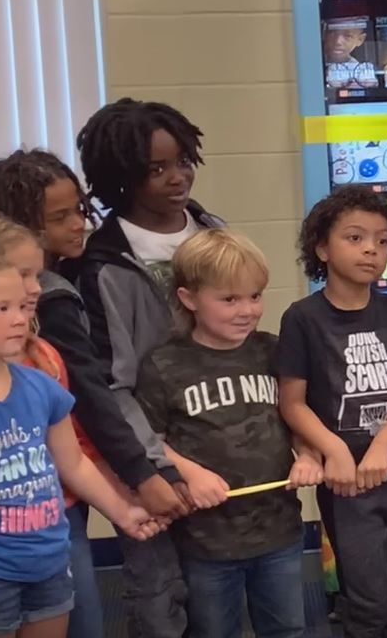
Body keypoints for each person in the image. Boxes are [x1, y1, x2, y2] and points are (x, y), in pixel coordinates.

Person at [0, 252, 160, 638]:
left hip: (49, 564)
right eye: (2, 308)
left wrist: (122, 511)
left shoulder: (41, 386)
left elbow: (73, 464)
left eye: (22, 306)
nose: (21, 318)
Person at [0, 149, 157, 638]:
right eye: (60, 217)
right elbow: (93, 396)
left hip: (68, 487)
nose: (80, 224)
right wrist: (140, 472)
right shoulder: (48, 297)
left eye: (80, 209)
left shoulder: (61, 286)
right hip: (24, 509)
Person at [65, 98, 225, 638]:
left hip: (215, 440)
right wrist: (151, 468)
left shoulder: (211, 229)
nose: (177, 177)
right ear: (120, 178)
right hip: (146, 455)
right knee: (158, 595)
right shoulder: (101, 266)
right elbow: (110, 384)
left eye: (182, 160)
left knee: (218, 591)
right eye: (156, 169)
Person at [136, 230, 322, 638]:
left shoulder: (273, 350)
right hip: (207, 542)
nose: (247, 310)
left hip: (279, 531)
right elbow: (149, 440)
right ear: (189, 299)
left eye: (255, 296)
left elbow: (297, 415)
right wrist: (189, 473)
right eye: (229, 299)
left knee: (288, 629)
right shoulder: (163, 365)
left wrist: (308, 455)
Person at [276, 185, 387, 638]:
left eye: (382, 241)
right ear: (321, 247)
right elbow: (292, 402)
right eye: (355, 238)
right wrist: (333, 450)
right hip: (347, 486)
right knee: (367, 602)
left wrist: (384, 444)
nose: (371, 249)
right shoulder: (302, 317)